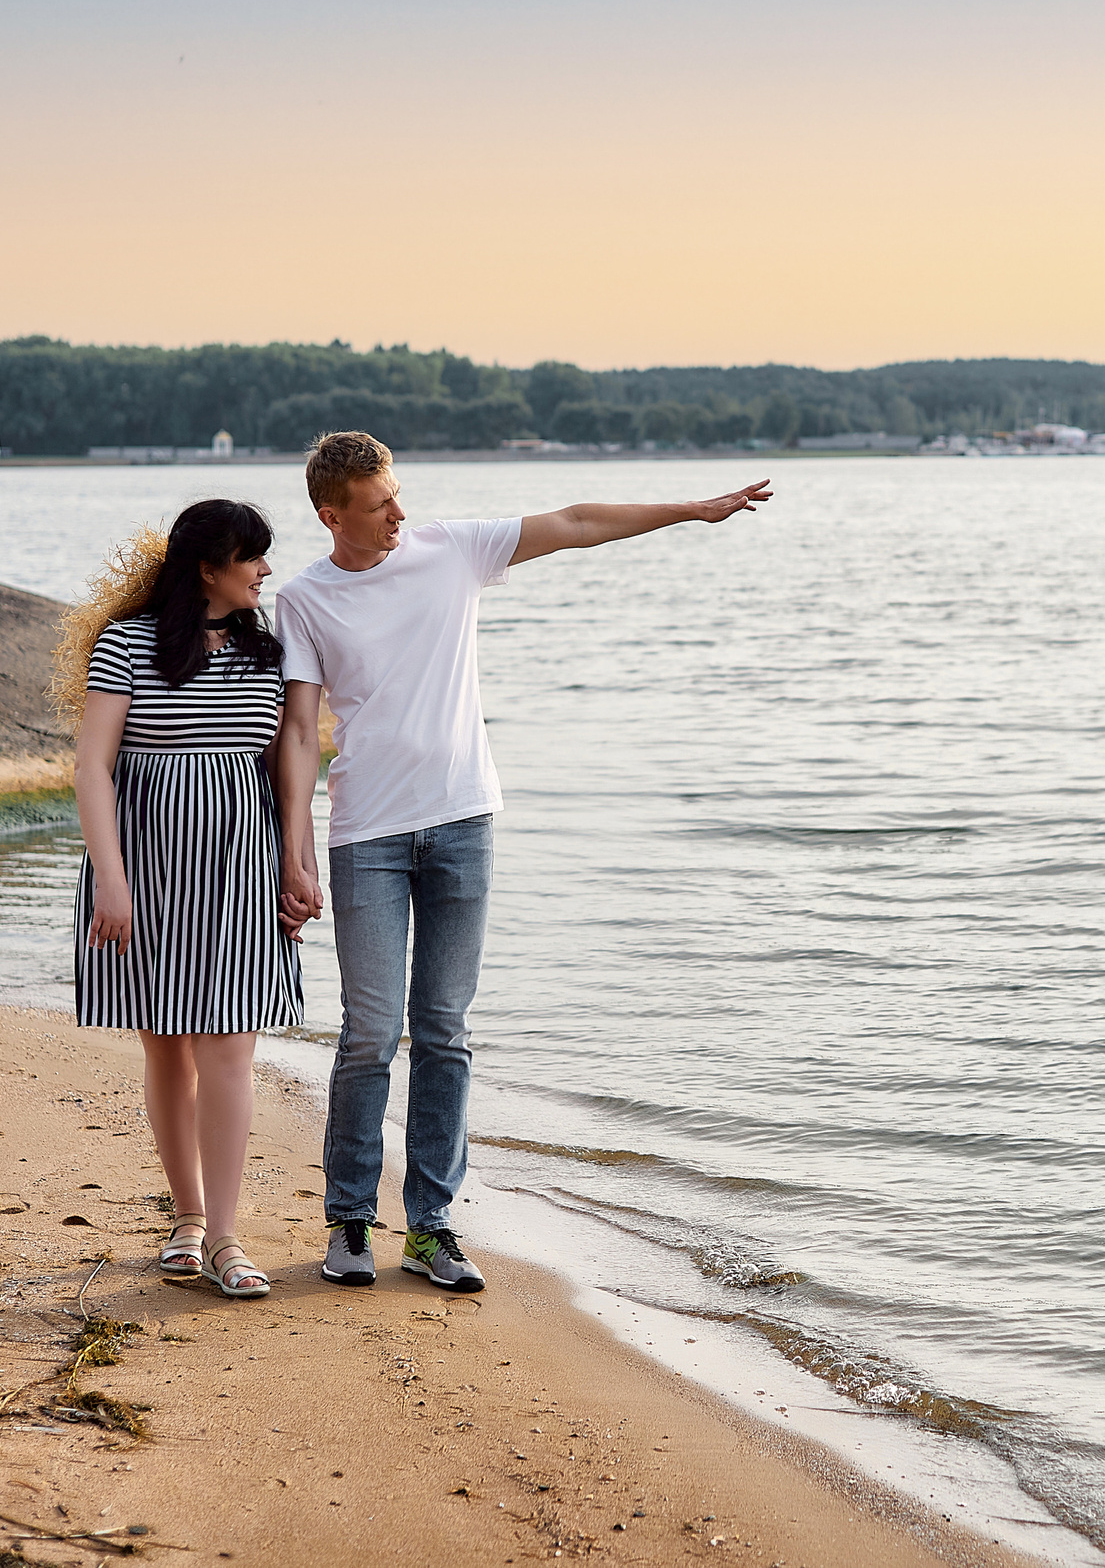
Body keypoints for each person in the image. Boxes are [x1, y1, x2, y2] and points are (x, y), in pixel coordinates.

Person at [275, 432, 769, 1292]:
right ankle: (349, 1220)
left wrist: (693, 510)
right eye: (380, 503)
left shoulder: (451, 551)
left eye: (398, 493)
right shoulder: (304, 599)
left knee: (445, 1030)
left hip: (463, 821)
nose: (400, 512)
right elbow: (299, 731)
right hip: (367, 836)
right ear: (332, 514)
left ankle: (430, 1226)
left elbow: (576, 522)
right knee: (369, 1034)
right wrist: (297, 847)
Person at [59, 499, 305, 1301]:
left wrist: (297, 865)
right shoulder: (127, 644)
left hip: (240, 866)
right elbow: (93, 767)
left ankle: (227, 1236)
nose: (265, 569)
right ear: (207, 568)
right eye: (251, 556)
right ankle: (189, 1217)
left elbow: (287, 768)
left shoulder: (271, 652)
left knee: (229, 1046)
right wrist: (111, 877)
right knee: (166, 1044)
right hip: (145, 866)